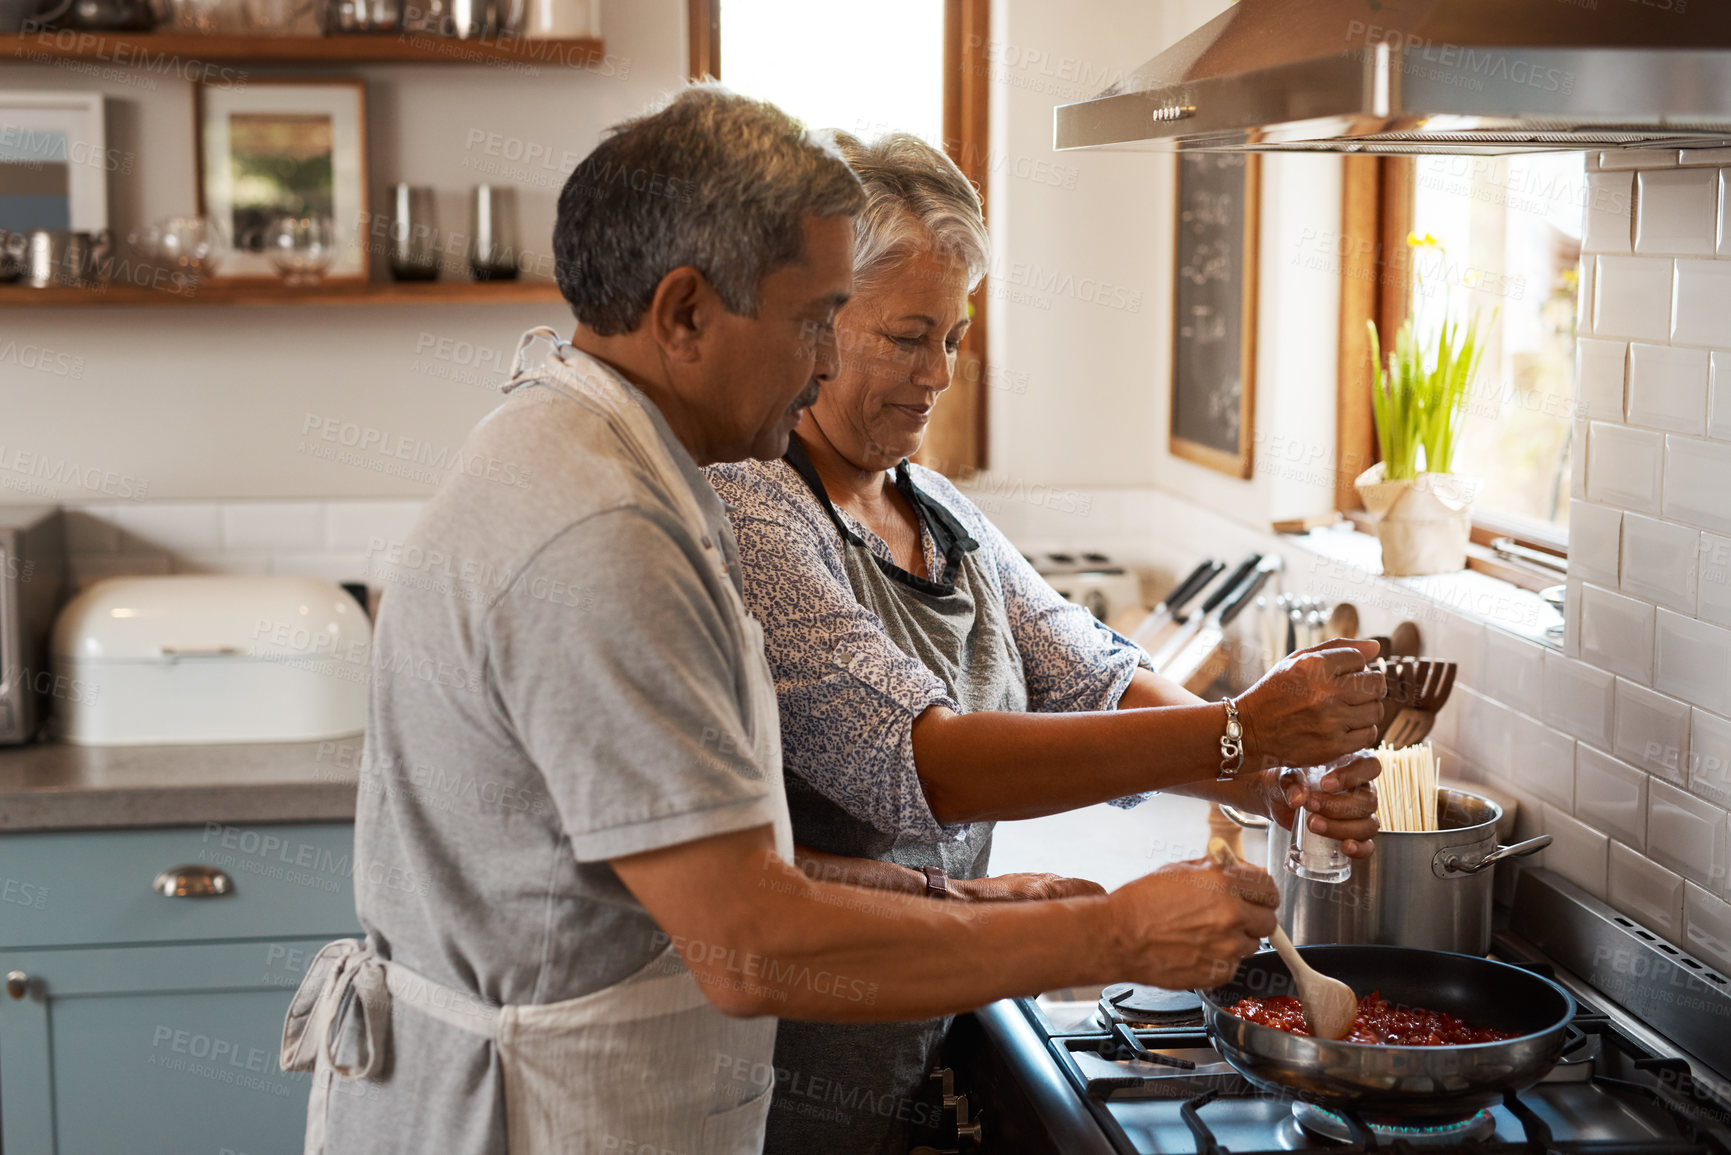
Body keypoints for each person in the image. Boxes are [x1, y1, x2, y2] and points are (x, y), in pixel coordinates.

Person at [278, 87, 1294, 1155]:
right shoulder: (605, 532)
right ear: (683, 313)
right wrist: (1114, 930)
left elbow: (676, 865)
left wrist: (951, 897)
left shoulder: (615, 466)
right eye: (818, 320)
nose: (824, 364)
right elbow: (748, 943)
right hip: (534, 1118)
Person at [706, 130, 1386, 1155]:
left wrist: (1271, 777)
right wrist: (1240, 733)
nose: (939, 373)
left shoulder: (932, 507)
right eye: (908, 336)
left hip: (917, 1036)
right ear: (820, 323)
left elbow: (1089, 672)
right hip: (775, 1084)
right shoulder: (754, 510)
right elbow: (922, 762)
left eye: (957, 334)